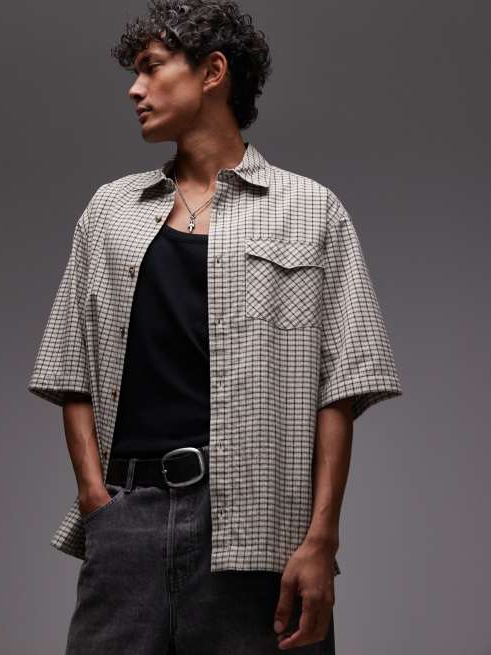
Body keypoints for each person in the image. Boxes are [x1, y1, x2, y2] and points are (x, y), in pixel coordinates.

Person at [27, 1, 403, 653]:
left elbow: (339, 390)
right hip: (127, 522)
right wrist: (96, 501)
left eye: (151, 67)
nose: (134, 88)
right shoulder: (109, 211)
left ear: (212, 72)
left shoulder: (311, 210)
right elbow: (70, 368)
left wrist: (320, 539)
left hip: (262, 532)